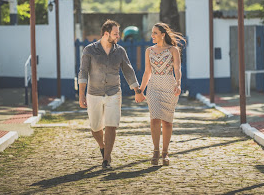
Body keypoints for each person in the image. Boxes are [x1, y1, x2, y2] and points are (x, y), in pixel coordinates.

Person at [78, 20, 145, 169]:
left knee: (111, 125)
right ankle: (103, 146)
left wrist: (137, 90)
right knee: (95, 127)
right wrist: (81, 95)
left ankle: (106, 159)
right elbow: (83, 72)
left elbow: (128, 71)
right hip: (93, 93)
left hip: (114, 92)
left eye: (118, 33)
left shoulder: (120, 51)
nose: (118, 37)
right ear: (106, 34)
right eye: (115, 34)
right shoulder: (89, 50)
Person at [139, 23, 185, 166]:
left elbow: (177, 69)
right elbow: (147, 72)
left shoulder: (173, 50)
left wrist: (178, 84)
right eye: (152, 33)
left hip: (169, 86)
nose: (152, 36)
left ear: (163, 35)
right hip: (153, 87)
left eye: (155, 33)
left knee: (167, 121)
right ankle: (156, 151)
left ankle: (165, 152)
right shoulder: (149, 50)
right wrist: (140, 90)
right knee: (154, 119)